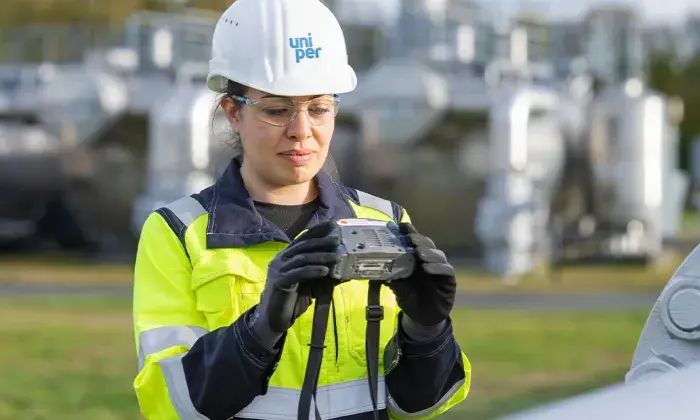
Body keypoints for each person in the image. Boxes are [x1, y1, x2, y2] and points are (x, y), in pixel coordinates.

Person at [132, 0, 471, 418]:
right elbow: (173, 405)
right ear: (233, 112)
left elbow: (418, 407)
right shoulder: (178, 234)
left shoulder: (384, 223)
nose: (301, 131)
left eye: (319, 108)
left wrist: (427, 331)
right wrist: (258, 331)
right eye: (276, 109)